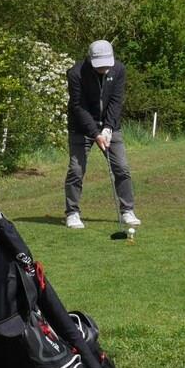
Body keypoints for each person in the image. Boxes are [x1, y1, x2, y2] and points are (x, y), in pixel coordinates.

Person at [64, 39, 138, 230]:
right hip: (81, 128)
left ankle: (127, 210)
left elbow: (116, 101)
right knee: (76, 170)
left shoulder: (118, 69)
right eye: (100, 65)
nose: (104, 69)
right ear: (90, 59)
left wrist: (108, 128)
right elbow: (78, 107)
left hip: (110, 126)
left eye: (107, 64)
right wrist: (96, 134)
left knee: (121, 168)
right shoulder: (76, 73)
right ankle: (72, 213)